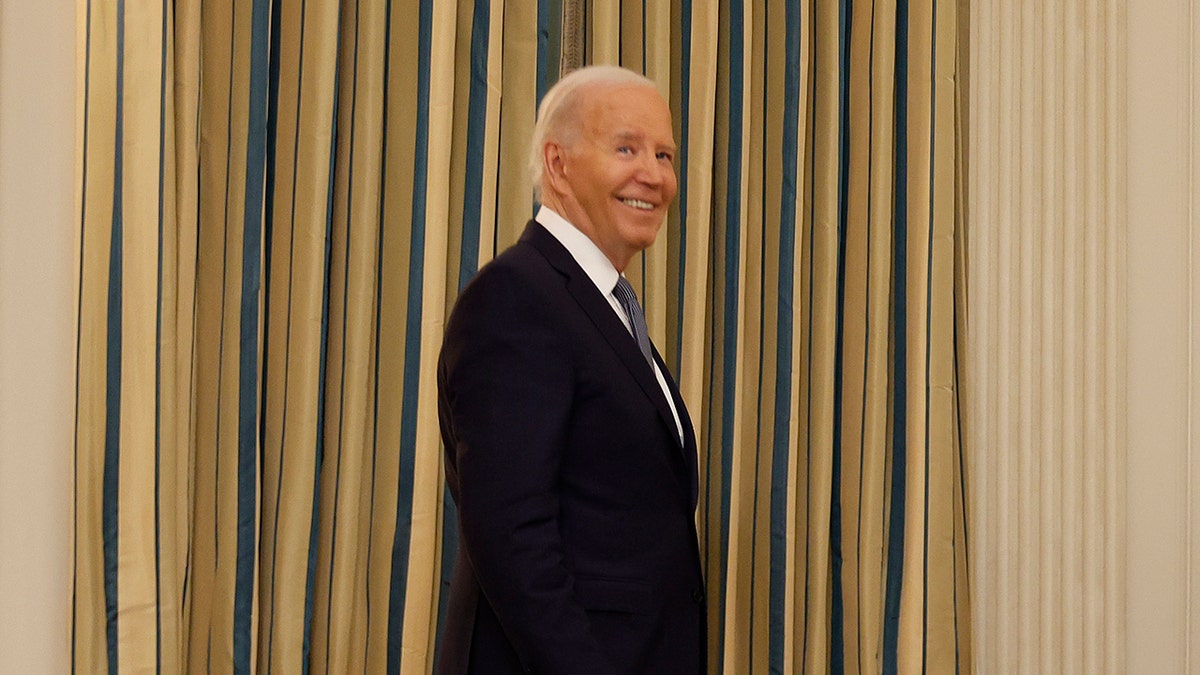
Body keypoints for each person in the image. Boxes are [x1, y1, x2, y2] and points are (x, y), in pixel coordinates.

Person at [435, 65, 706, 674]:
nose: (655, 175)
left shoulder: (601, 306)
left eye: (665, 154)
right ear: (558, 165)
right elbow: (512, 536)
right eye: (626, 148)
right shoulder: (517, 298)